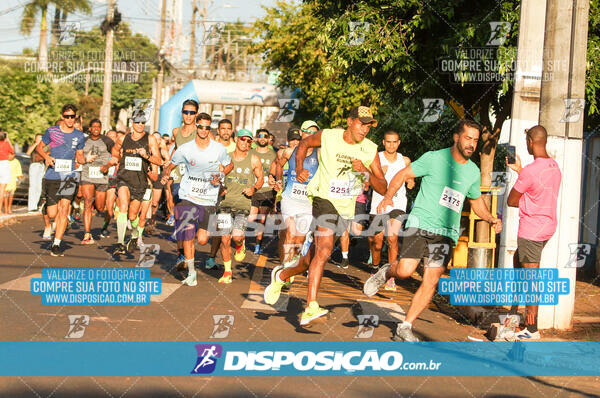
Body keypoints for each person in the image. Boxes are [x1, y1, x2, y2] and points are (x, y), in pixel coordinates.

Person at [364, 119, 502, 342]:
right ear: (456, 137)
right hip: (420, 224)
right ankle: (387, 271)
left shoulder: (473, 172)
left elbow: (476, 201)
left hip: (445, 233)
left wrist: (490, 218)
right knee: (405, 271)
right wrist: (388, 197)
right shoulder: (433, 158)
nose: (472, 144)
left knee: (431, 279)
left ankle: (406, 326)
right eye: (468, 138)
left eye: (476, 140)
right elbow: (402, 175)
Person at [264, 106, 387, 326]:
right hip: (322, 199)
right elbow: (304, 143)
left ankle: (280, 276)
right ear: (350, 121)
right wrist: (300, 166)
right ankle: (311, 305)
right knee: (325, 249)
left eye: (369, 125)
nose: (365, 129)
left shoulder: (370, 149)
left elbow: (383, 187)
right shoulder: (329, 136)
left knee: (312, 257)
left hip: (345, 209)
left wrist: (366, 172)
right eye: (361, 123)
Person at [160, 113, 231, 286]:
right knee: (188, 234)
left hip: (208, 198)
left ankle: (193, 264)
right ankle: (191, 273)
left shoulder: (218, 148)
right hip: (188, 195)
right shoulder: (186, 148)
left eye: (207, 127)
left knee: (202, 239)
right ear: (196, 127)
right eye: (201, 127)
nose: (204, 130)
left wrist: (220, 175)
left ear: (210, 129)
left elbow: (230, 165)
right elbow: (170, 166)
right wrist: (165, 175)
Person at [506, 125, 561, 340]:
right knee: (518, 262)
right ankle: (513, 315)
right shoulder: (554, 167)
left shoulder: (530, 171)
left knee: (530, 279)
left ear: (530, 141)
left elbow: (511, 200)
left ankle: (532, 328)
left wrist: (522, 175)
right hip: (547, 227)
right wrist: (520, 171)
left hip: (531, 230)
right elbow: (539, 190)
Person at [214, 129, 264, 284]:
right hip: (225, 204)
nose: (246, 143)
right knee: (224, 238)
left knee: (236, 236)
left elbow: (261, 178)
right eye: (243, 139)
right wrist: (219, 186)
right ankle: (227, 271)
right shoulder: (226, 158)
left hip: (243, 204)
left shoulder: (254, 159)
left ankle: (240, 244)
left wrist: (253, 188)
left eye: (249, 141)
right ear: (236, 140)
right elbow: (217, 177)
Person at [36, 104, 86, 256]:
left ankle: (56, 244)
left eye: (73, 116)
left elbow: (80, 156)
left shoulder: (79, 136)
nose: (70, 119)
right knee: (52, 214)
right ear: (62, 117)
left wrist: (86, 159)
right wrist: (46, 157)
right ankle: (47, 209)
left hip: (69, 176)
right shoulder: (52, 131)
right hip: (52, 175)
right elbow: (39, 147)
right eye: (67, 116)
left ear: (75, 117)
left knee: (64, 209)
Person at [367, 130, 414, 290]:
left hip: (398, 203)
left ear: (399, 143)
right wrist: (378, 174)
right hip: (378, 203)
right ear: (383, 142)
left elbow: (410, 176)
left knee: (392, 238)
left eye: (394, 142)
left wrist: (410, 182)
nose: (391, 145)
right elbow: (366, 181)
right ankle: (375, 269)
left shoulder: (405, 160)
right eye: (388, 142)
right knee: (377, 242)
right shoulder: (376, 158)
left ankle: (390, 276)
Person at [110, 109, 161, 255]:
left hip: (140, 182)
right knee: (123, 206)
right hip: (123, 178)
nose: (140, 125)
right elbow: (114, 151)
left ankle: (134, 235)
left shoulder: (150, 139)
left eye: (143, 122)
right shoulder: (123, 139)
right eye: (137, 122)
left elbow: (159, 161)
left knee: (133, 216)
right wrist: (115, 159)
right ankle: (120, 243)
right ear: (132, 123)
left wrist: (147, 156)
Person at [270, 122, 319, 265]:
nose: (310, 135)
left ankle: (292, 264)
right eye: (307, 132)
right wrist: (278, 180)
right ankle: (285, 270)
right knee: (290, 234)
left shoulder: (320, 154)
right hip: (290, 200)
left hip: (307, 203)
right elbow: (279, 165)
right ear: (302, 133)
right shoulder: (289, 152)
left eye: (314, 133)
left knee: (299, 240)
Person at [80, 119, 114, 244]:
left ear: (100, 128)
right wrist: (84, 159)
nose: (96, 129)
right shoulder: (83, 141)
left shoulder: (107, 141)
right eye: (93, 126)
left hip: (102, 177)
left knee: (100, 208)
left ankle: (95, 204)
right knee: (87, 203)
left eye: (98, 127)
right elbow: (77, 155)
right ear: (89, 128)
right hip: (87, 175)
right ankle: (87, 233)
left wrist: (108, 166)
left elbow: (117, 155)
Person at [249, 128, 277, 255]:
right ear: (256, 138)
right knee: (251, 218)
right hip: (253, 189)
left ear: (268, 139)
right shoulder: (251, 152)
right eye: (260, 135)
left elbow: (276, 171)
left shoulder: (273, 154)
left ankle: (257, 245)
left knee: (262, 219)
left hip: (267, 190)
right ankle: (242, 239)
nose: (262, 138)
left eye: (265, 136)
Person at [101, 130, 119, 238]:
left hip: (113, 179)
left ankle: (104, 227)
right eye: (109, 136)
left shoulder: (119, 151)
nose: (112, 139)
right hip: (100, 179)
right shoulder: (101, 150)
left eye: (114, 136)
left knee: (109, 205)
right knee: (100, 205)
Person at [26, 134, 44, 213]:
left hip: (41, 165)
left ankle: (36, 205)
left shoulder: (43, 147)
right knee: (33, 186)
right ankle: (31, 207)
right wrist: (36, 143)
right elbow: (28, 153)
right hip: (34, 165)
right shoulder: (33, 146)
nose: (40, 140)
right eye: (38, 138)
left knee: (39, 187)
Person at [0, 130, 15, 216]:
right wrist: (8, 139)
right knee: (2, 189)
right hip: (4, 164)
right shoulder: (6, 144)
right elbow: (12, 151)